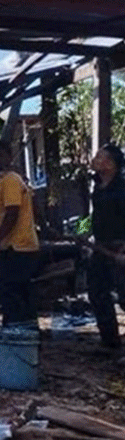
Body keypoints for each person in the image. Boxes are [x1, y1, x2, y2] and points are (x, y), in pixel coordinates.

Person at [0, 139, 41, 328]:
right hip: (20, 245)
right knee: (21, 291)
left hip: (16, 246)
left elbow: (12, 213)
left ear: (9, 157)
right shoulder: (10, 180)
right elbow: (34, 206)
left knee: (11, 291)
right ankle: (26, 331)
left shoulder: (10, 180)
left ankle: (16, 331)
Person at [87, 144, 125, 350]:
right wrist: (83, 232)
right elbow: (94, 216)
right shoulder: (97, 186)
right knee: (97, 293)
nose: (94, 160)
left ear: (110, 164)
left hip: (119, 249)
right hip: (100, 248)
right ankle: (109, 342)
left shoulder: (121, 188)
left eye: (99, 157)